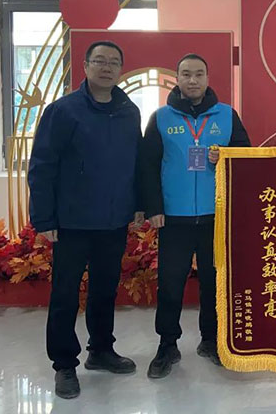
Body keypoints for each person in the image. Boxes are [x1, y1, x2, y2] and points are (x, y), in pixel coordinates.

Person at [28, 40, 141, 400]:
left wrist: (137, 205)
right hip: (71, 222)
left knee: (105, 289)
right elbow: (42, 166)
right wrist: (44, 218)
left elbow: (136, 164)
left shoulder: (129, 112)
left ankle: (101, 350)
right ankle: (64, 364)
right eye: (100, 61)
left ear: (120, 69)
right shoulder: (63, 111)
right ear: (86, 66)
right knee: (65, 294)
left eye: (114, 62)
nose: (107, 68)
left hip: (113, 220)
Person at [140, 53, 251, 379]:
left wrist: (226, 155)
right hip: (173, 217)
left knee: (214, 282)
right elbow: (147, 166)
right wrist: (154, 208)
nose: (192, 80)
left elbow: (246, 156)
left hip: (216, 215)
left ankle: (211, 340)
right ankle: (167, 345)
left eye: (199, 74)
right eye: (186, 74)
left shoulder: (227, 115)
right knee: (170, 283)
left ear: (207, 78)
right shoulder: (161, 118)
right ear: (177, 79)